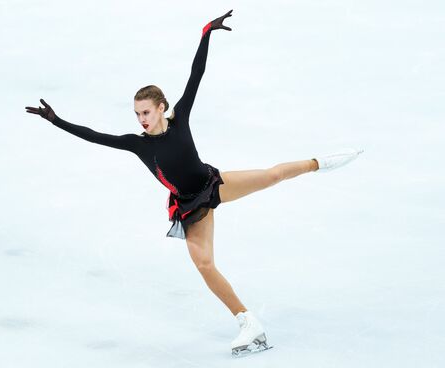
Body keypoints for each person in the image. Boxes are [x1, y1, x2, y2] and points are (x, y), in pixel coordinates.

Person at [25, 9, 363, 357]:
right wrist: (56, 120)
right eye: (137, 114)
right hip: (189, 206)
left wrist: (206, 33)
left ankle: (320, 163)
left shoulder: (180, 117)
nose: (141, 119)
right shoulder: (137, 143)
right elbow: (94, 136)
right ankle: (248, 322)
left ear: (161, 107)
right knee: (204, 265)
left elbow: (195, 74)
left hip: (214, 184)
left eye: (147, 112)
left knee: (272, 175)